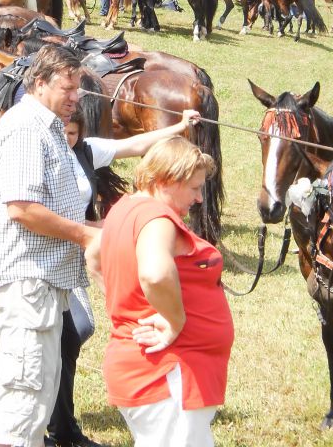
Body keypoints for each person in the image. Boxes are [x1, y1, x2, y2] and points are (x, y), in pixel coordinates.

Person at [47, 108, 203, 447]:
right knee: (72, 332)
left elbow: (136, 144)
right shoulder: (43, 154)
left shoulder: (86, 152)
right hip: (53, 256)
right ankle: (54, 421)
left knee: (74, 332)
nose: (68, 138)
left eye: (73, 133)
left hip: (84, 254)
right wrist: (98, 230)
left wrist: (179, 126)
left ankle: (60, 421)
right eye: (62, 131)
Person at [0, 45, 100, 447]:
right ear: (40, 82)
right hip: (26, 285)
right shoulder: (26, 130)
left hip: (43, 287)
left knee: (37, 396)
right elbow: (23, 209)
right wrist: (84, 235)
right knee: (23, 401)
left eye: (78, 88)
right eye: (67, 88)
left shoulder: (46, 128)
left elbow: (53, 205)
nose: (75, 97)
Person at [85, 136, 232, 447]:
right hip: (170, 372)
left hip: (160, 368)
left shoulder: (126, 207)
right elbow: (155, 273)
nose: (199, 199)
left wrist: (127, 304)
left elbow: (94, 257)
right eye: (194, 188)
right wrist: (174, 322)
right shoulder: (157, 218)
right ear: (167, 179)